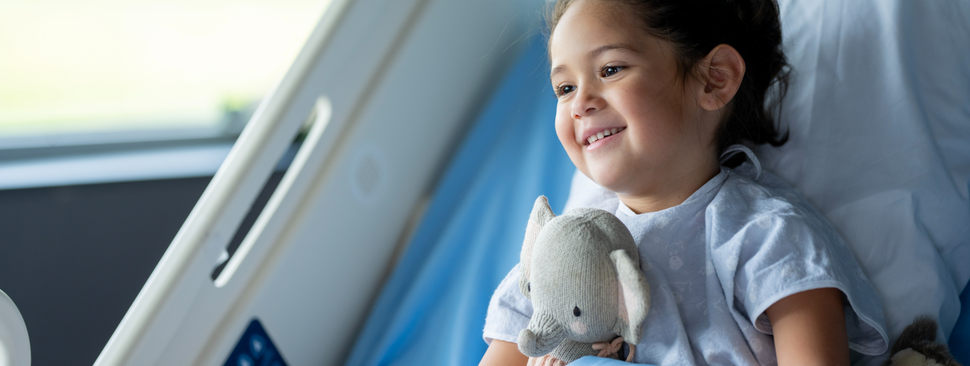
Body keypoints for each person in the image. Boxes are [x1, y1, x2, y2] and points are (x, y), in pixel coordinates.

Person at [479, 0, 889, 365]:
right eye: (564, 88)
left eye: (610, 69)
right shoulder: (564, 248)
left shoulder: (766, 235)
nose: (580, 102)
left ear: (714, 79)